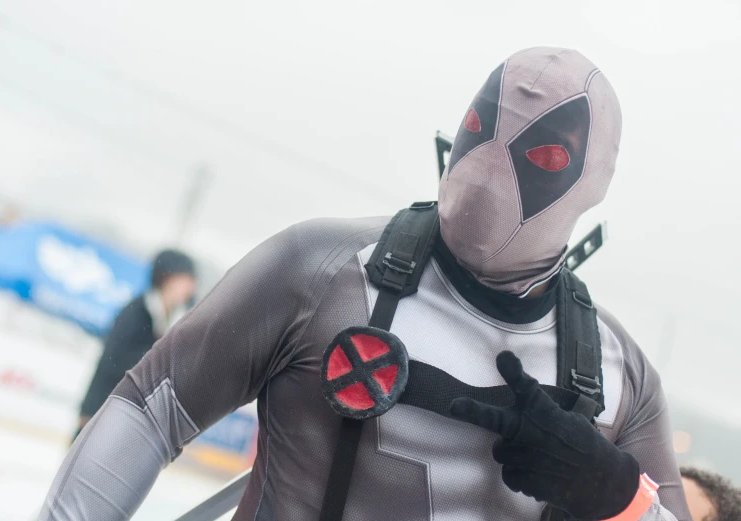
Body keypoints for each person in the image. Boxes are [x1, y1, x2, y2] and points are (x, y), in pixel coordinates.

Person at [38, 47, 690, 521]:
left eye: (544, 155)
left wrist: (620, 497)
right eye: (478, 130)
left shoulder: (617, 376)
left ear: (593, 183)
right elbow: (150, 412)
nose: (491, 169)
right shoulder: (318, 268)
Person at [73, 249, 196, 439]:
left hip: (135, 418)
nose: (190, 288)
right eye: (185, 280)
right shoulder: (135, 312)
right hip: (104, 408)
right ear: (166, 279)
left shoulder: (179, 317)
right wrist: (89, 412)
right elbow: (111, 362)